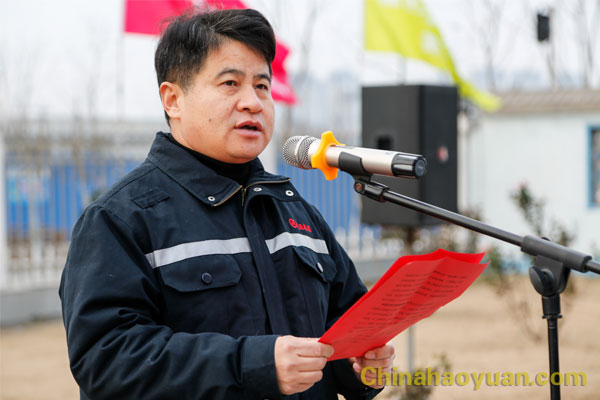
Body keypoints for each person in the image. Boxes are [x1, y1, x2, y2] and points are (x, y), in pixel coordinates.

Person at [59, 7, 394, 400]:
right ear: (173, 99)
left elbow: (344, 327)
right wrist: (253, 365)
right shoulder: (120, 219)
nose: (252, 102)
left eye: (262, 86)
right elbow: (106, 360)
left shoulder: (296, 213)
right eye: (230, 83)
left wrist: (361, 367)